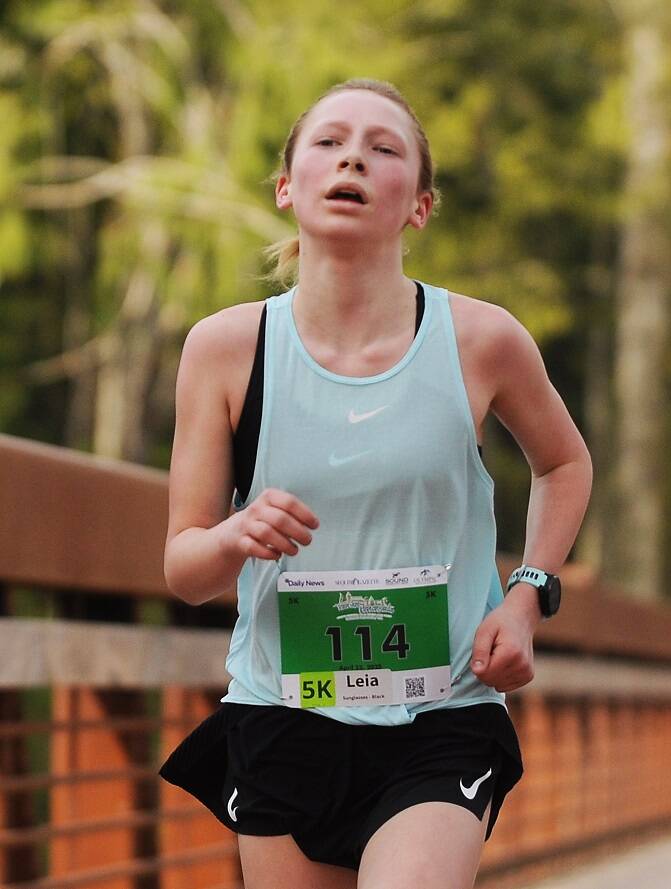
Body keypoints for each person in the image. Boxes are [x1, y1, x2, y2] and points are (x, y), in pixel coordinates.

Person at [158, 78, 593, 889]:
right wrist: (231, 534)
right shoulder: (224, 349)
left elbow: (564, 462)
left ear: (419, 205)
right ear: (289, 187)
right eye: (328, 141)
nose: (353, 154)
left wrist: (527, 593)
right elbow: (184, 568)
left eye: (384, 147)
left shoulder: (483, 339)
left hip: (444, 713)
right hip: (282, 716)